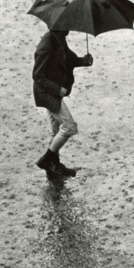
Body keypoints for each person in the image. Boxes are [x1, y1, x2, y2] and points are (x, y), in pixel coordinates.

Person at [33, 29, 93, 179]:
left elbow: (68, 59)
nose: (70, 28)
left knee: (56, 130)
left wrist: (83, 61)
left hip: (52, 93)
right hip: (48, 94)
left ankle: (54, 166)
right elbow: (37, 76)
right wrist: (57, 89)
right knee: (69, 126)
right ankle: (47, 160)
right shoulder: (46, 45)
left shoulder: (58, 37)